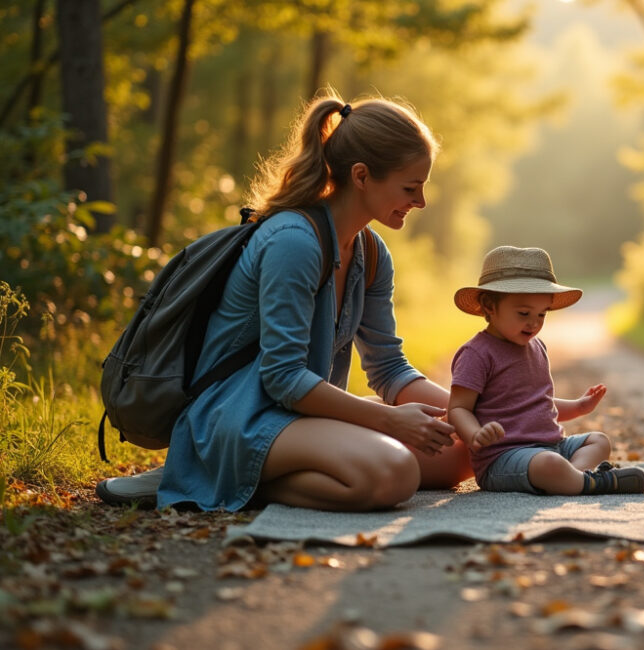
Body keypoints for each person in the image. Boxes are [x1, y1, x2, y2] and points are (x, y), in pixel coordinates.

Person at [96, 92, 473, 510]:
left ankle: (224, 477)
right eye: (410, 187)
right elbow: (284, 377)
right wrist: (388, 420)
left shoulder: (371, 252)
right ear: (362, 176)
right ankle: (202, 474)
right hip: (236, 416)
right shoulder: (293, 243)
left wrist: (477, 412)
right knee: (393, 473)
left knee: (462, 450)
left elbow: (389, 369)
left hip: (300, 416)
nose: (420, 201)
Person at [448, 246, 644, 496]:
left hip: (553, 446)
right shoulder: (477, 353)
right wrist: (475, 434)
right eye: (524, 313)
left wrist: (578, 407)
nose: (534, 323)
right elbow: (458, 408)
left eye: (542, 314)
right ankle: (591, 482)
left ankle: (576, 479)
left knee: (598, 441)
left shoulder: (537, 347)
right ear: (489, 306)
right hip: (504, 457)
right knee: (549, 464)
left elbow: (539, 403)